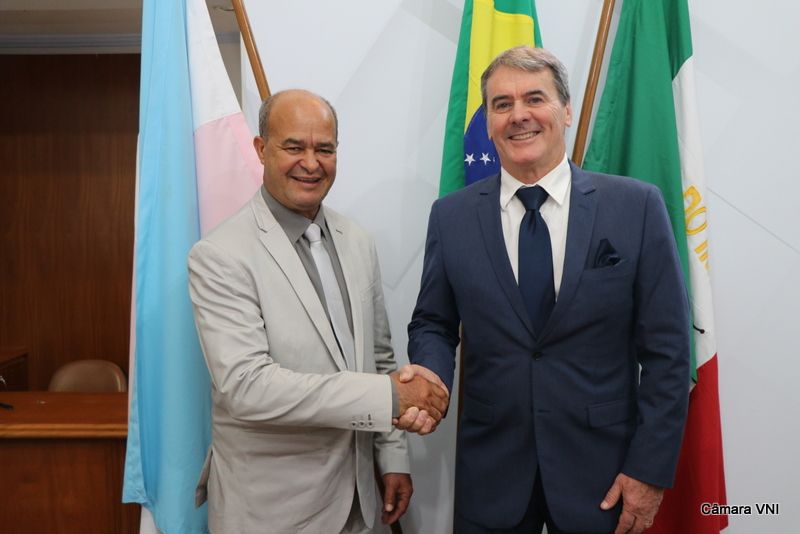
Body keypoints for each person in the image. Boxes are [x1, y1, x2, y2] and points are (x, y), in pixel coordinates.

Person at [404, 46, 690, 533]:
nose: (519, 115)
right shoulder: (451, 216)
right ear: (488, 122)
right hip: (490, 475)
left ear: (566, 110)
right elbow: (434, 321)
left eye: (534, 98)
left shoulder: (635, 207)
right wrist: (432, 377)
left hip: (603, 477)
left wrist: (648, 469)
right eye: (502, 104)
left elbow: (668, 350)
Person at [188, 89, 448, 534]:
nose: (311, 163)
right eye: (294, 147)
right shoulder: (219, 255)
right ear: (261, 149)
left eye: (324, 149)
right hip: (271, 513)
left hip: (361, 503)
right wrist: (390, 397)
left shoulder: (357, 240)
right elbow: (247, 387)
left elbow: (379, 358)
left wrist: (392, 458)